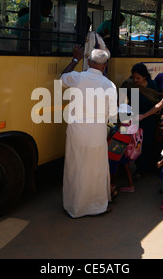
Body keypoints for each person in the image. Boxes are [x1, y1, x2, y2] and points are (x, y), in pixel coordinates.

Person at [60, 45, 118, 218]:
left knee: (75, 167)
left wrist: (75, 59)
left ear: (88, 61)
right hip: (97, 134)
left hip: (76, 131)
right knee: (95, 170)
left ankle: (73, 206)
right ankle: (96, 207)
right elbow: (113, 115)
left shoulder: (77, 78)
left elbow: (62, 78)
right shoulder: (109, 85)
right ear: (104, 65)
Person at [123, 63, 161, 178]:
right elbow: (124, 101)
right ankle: (131, 167)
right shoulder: (130, 85)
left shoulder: (152, 85)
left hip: (149, 119)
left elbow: (157, 101)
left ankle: (142, 169)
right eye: (134, 77)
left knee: (146, 144)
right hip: (134, 119)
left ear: (145, 76)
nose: (135, 80)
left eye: (138, 78)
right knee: (134, 144)